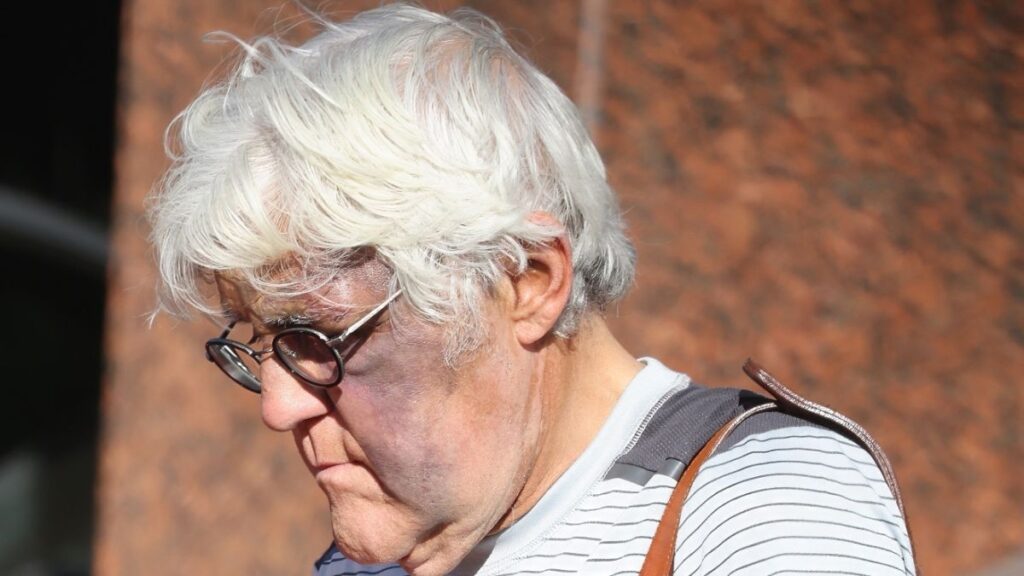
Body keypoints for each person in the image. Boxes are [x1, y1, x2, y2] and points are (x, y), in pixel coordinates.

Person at [147, 4, 917, 575]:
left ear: (528, 282)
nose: (278, 406)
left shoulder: (767, 508)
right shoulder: (375, 560)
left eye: (317, 340)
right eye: (264, 344)